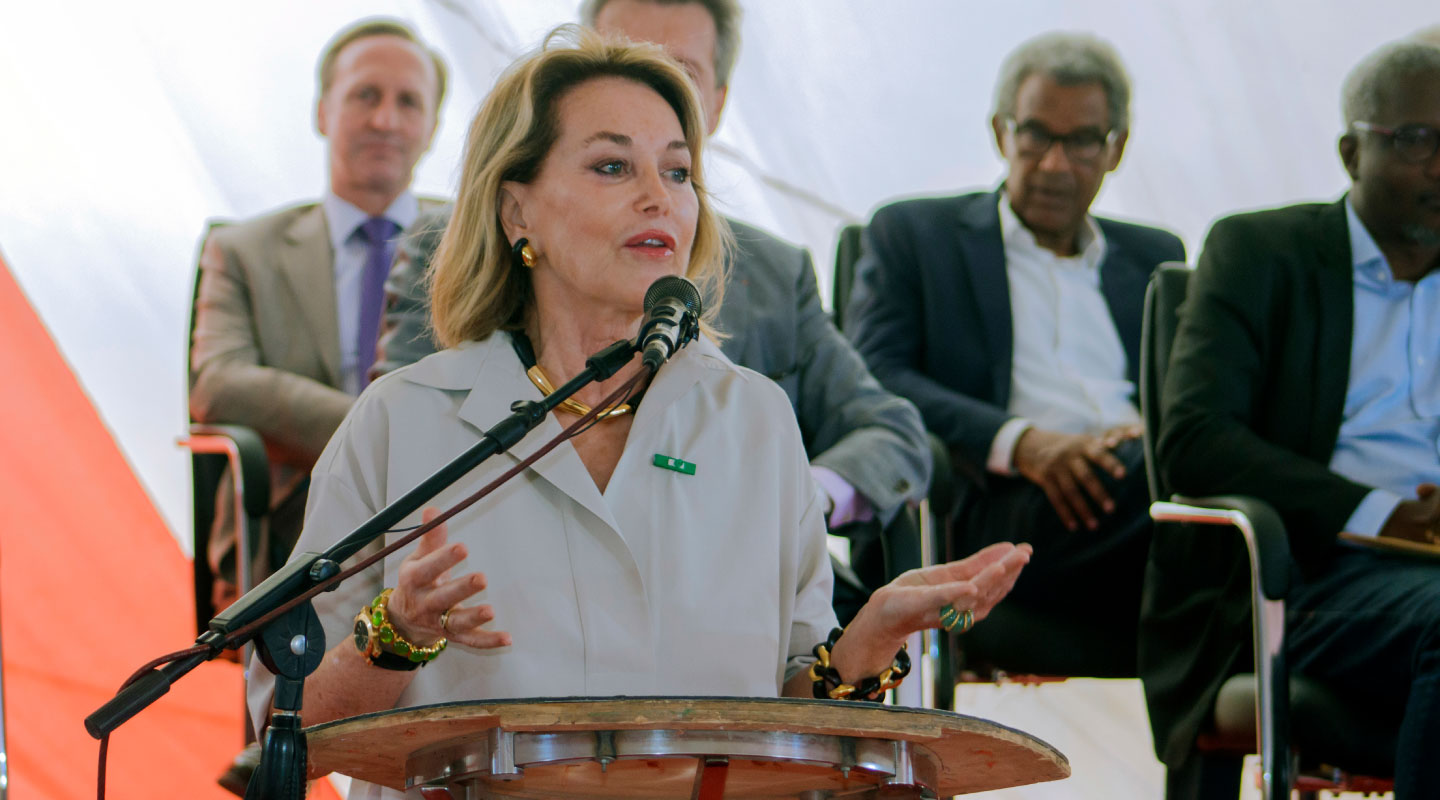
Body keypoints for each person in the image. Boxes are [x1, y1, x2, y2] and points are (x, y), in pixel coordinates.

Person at [248, 29, 1031, 800]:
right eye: (612, 165)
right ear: (517, 210)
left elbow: (797, 714)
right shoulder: (405, 421)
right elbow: (290, 724)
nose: (660, 196)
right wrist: (397, 631)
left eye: (680, 171)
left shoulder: (754, 420)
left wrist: (867, 643)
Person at [376, 0, 931, 616]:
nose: (636, 79)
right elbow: (408, 442)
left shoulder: (774, 276)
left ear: (715, 102)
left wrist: (796, 502)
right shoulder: (414, 384)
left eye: (677, 68)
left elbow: (890, 430)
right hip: (501, 597)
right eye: (611, 165)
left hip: (728, 608)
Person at [1145, 39, 1440, 799]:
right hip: (1304, 572)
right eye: (1417, 139)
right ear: (1351, 151)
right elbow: (1195, 443)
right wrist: (1387, 518)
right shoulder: (1259, 252)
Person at [845, 32, 1183, 671]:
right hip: (991, 506)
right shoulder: (918, 236)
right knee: (1211, 527)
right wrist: (1024, 442)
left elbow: (1181, 391)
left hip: (1131, 493)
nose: (1055, 164)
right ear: (1002, 132)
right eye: (1035, 135)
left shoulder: (1154, 258)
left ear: (1117, 148)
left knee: (1218, 499)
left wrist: (1149, 432)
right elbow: (874, 374)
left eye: (1082, 141)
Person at [189, 18, 447, 609]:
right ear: (322, 111)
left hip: (445, 512)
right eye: (365, 95)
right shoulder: (244, 250)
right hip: (292, 523)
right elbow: (218, 384)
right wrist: (379, 433)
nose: (386, 119)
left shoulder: (482, 242)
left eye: (408, 102)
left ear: (431, 128)